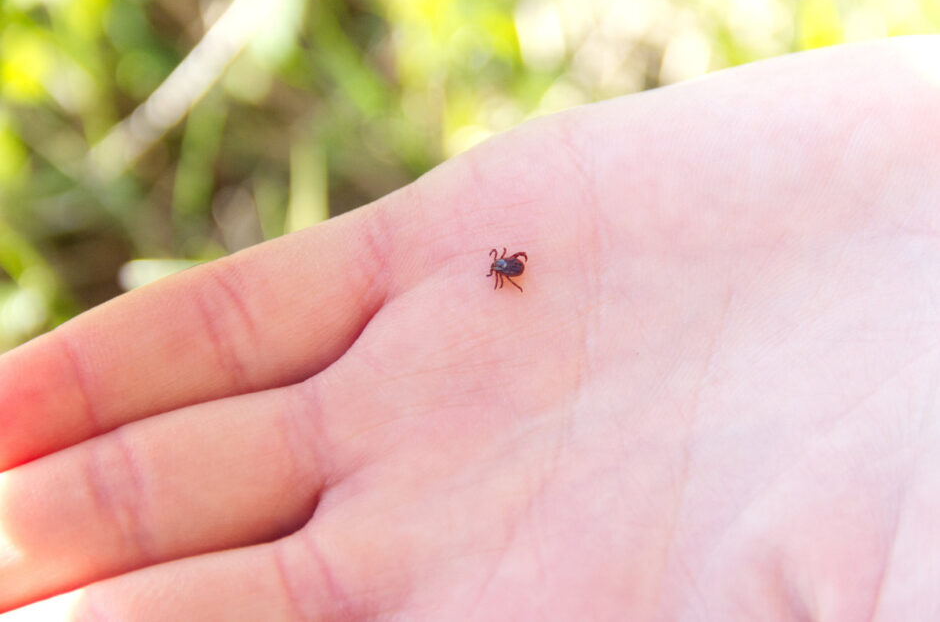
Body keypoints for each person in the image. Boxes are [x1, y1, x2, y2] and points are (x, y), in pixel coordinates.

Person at [2, 36, 939, 620]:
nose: (504, 270)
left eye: (504, 266)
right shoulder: (504, 269)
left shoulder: (507, 268)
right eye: (505, 265)